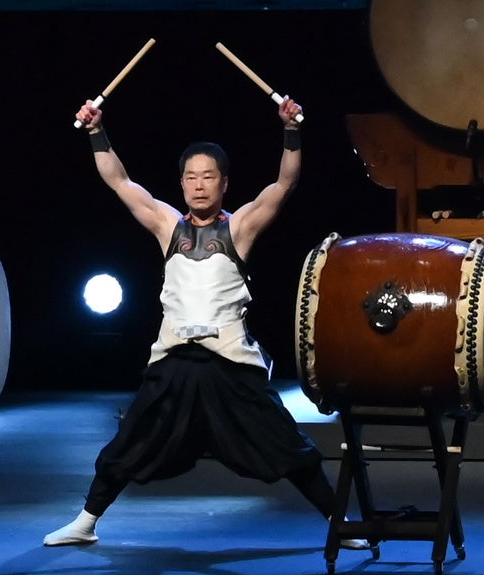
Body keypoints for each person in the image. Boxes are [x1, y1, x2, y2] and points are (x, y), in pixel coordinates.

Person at [46, 87, 341, 545]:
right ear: (182, 183)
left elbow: (284, 184)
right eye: (191, 177)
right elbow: (119, 182)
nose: (199, 185)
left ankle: (339, 523)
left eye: (208, 177)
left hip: (231, 361)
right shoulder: (168, 225)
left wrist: (290, 131)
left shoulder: (240, 227)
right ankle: (85, 523)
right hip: (175, 359)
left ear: (224, 183)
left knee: (286, 443)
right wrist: (96, 131)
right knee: (130, 441)